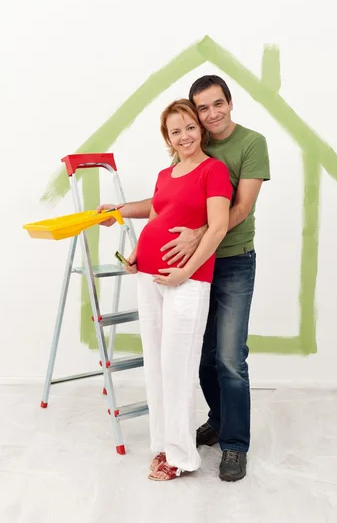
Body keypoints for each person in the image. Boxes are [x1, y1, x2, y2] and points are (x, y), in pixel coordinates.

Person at [99, 75, 270, 482]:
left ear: (230, 103)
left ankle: (234, 445)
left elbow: (239, 209)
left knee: (229, 358)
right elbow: (164, 206)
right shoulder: (183, 159)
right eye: (201, 111)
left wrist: (195, 242)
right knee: (203, 358)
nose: (210, 116)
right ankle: (213, 422)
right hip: (178, 269)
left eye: (216, 106)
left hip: (229, 260)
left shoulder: (248, 145)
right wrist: (123, 213)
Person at [119, 98, 232, 481]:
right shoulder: (166, 174)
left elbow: (216, 227)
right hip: (149, 276)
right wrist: (136, 252)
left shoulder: (214, 171)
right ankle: (165, 446)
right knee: (155, 364)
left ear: (200, 129)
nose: (183, 136)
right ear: (167, 138)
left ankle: (183, 457)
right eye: (174, 131)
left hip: (186, 280)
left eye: (188, 127)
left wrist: (184, 271)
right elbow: (157, 217)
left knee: (177, 367)